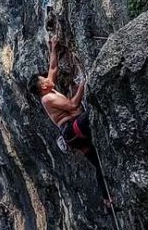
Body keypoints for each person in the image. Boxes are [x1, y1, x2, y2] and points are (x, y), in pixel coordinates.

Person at [27, 34, 100, 175]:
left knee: (97, 162)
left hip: (73, 133)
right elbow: (73, 105)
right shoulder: (47, 98)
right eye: (44, 80)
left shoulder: (48, 88)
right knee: (94, 114)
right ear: (43, 87)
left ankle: (106, 197)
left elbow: (53, 67)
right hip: (72, 130)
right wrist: (83, 84)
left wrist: (53, 47)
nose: (48, 79)